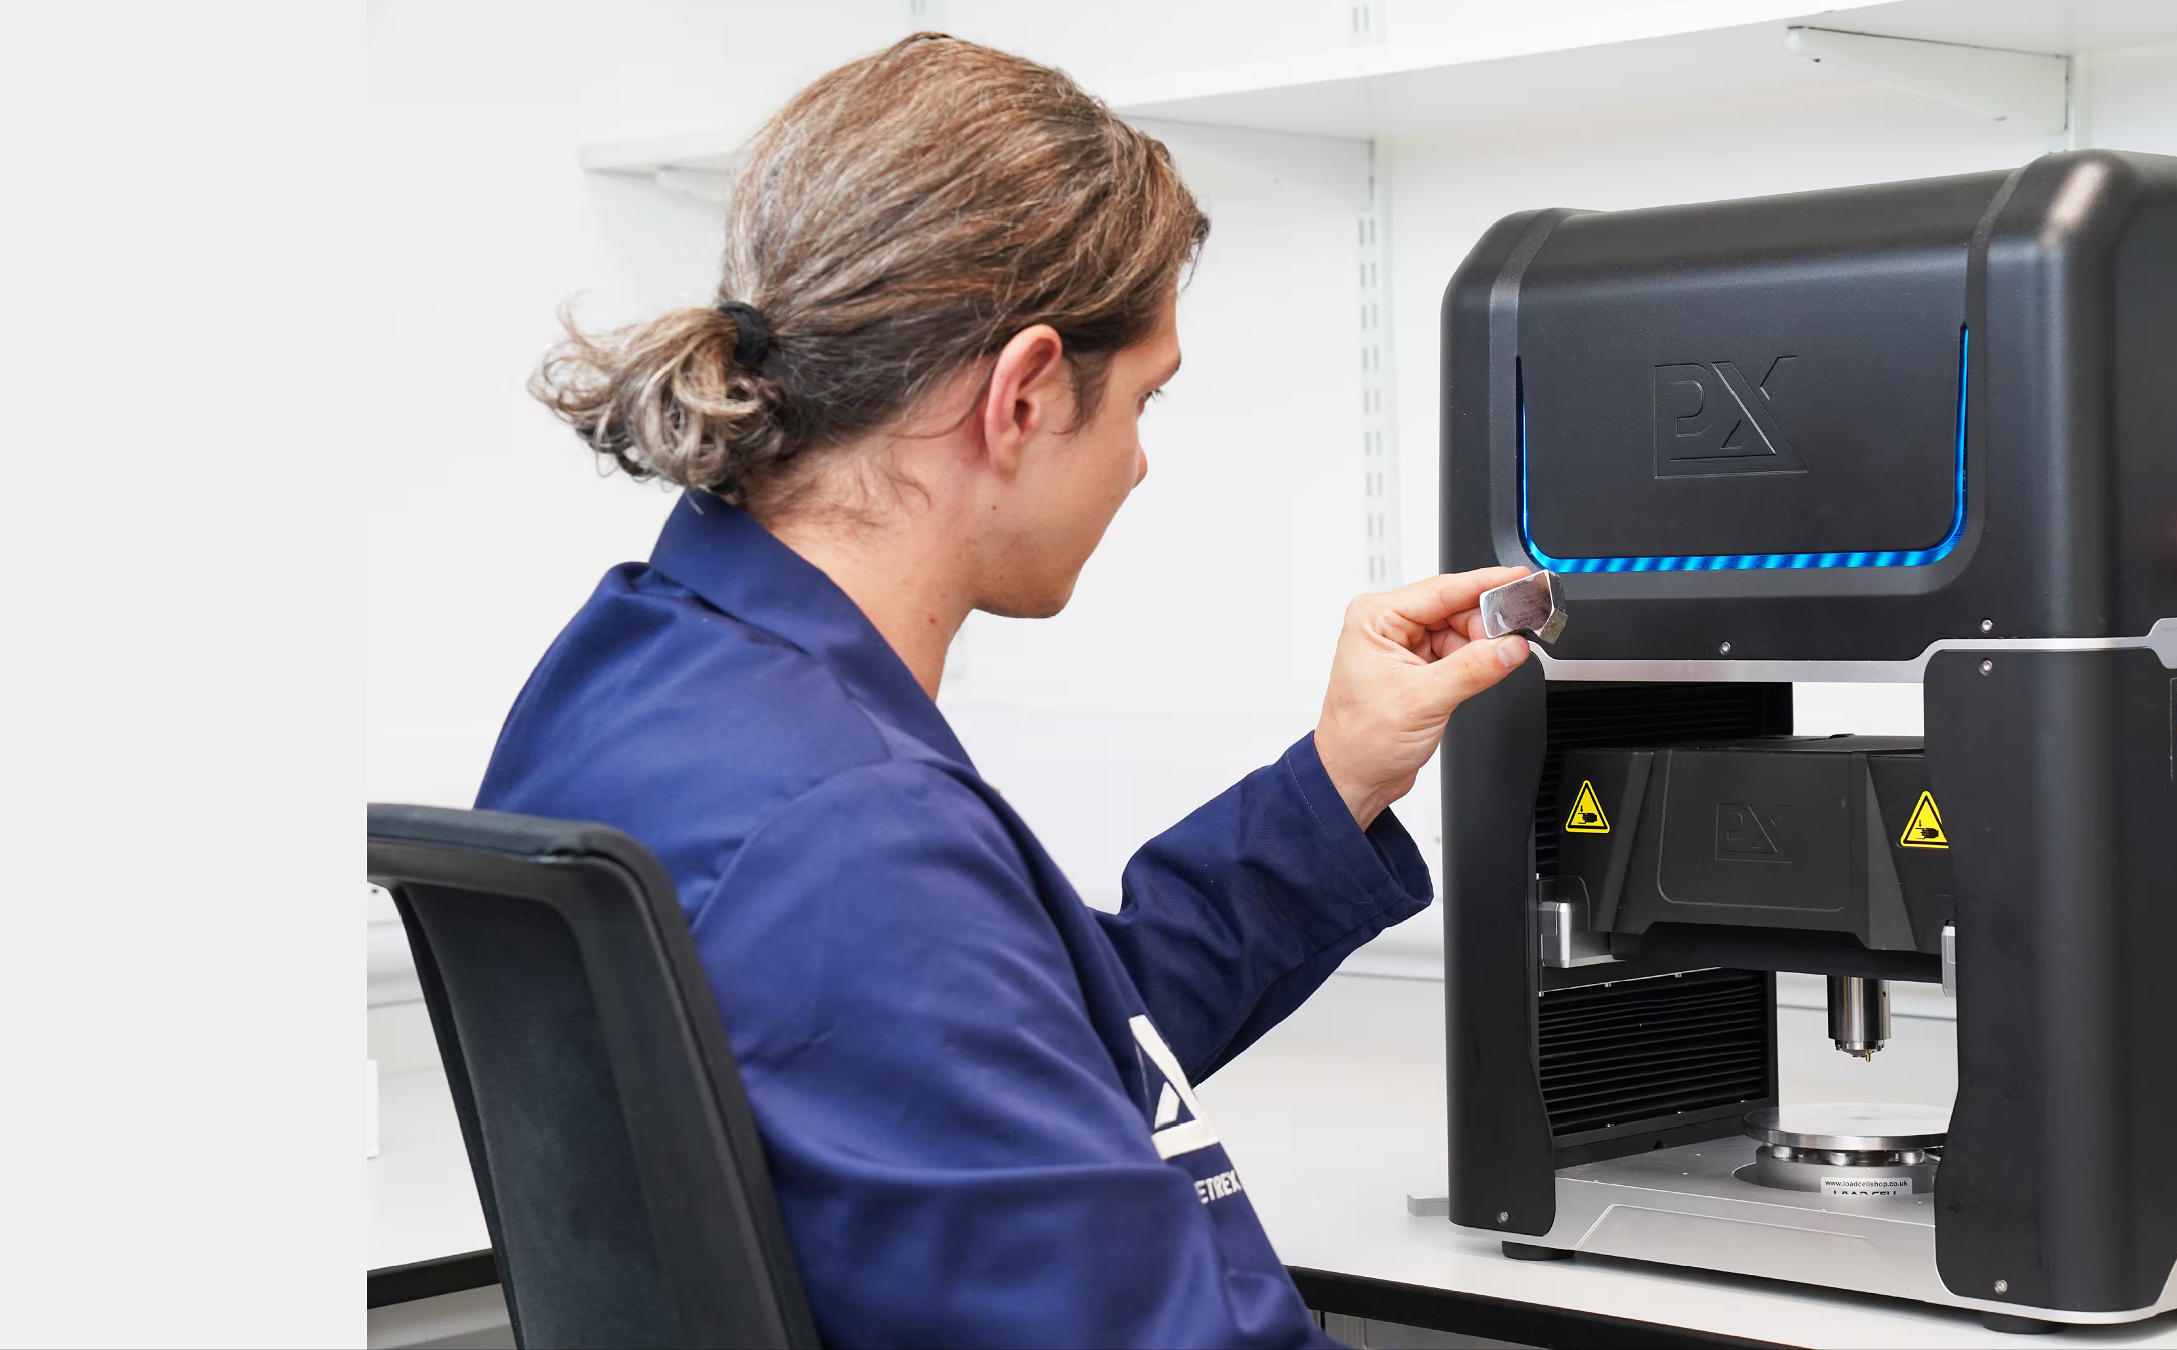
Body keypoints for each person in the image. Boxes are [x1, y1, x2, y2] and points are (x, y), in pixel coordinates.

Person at [480, 33, 1530, 1349]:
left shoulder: (637, 671)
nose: (1139, 463)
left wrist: (1340, 778)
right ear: (1025, 394)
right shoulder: (849, 833)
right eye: (1143, 400)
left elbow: (1019, 1048)